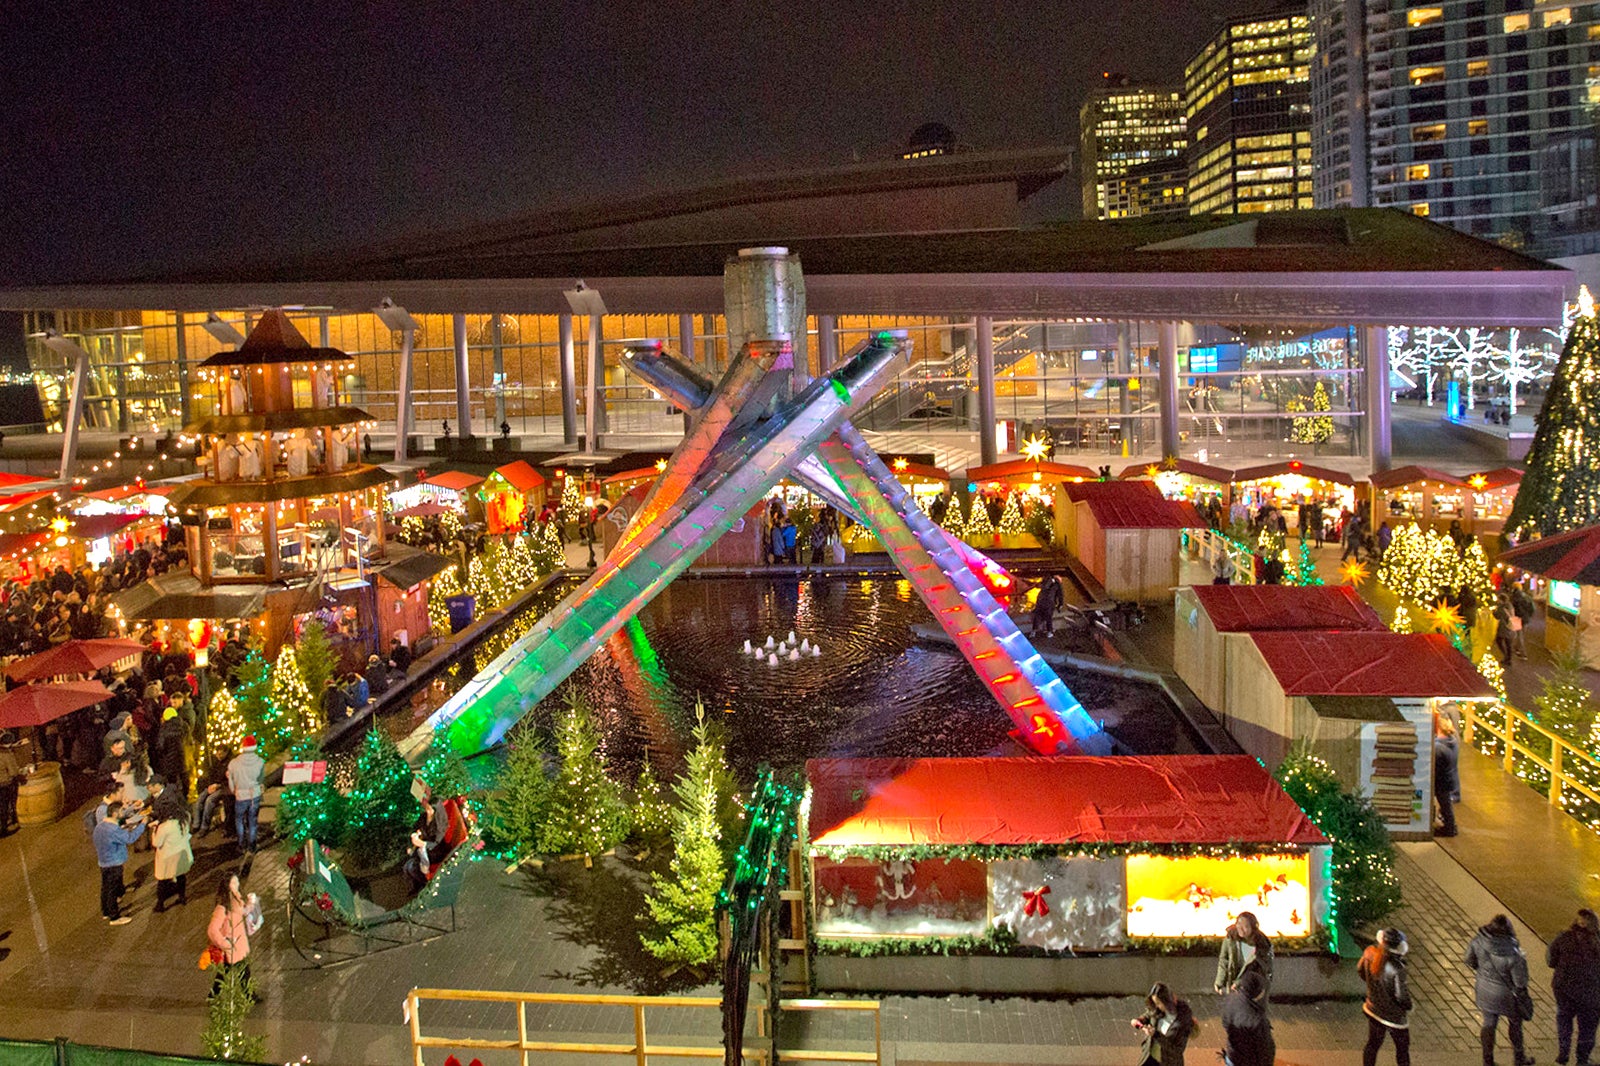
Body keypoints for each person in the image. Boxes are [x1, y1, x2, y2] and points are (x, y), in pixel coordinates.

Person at [1467, 913, 1534, 1066]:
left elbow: (1468, 959)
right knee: (1515, 1023)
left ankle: (1488, 1060)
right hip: (1507, 996)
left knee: (1489, 1023)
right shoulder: (1514, 954)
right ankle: (1519, 1057)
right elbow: (1520, 982)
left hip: (1484, 990)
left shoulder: (1478, 941)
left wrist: (1483, 972)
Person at [1548, 909, 1600, 1066]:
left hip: (1564, 989)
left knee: (1564, 1020)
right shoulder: (1597, 941)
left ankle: (1562, 1056)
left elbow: (1551, 959)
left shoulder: (1564, 937)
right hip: (1590, 993)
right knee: (1587, 1027)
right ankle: (1582, 1060)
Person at [1360, 928, 1413, 1066]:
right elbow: (1401, 996)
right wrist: (1409, 1006)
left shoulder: (1369, 954)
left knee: (1372, 1044)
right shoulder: (1397, 968)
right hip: (1394, 1017)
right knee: (1402, 1050)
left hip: (1374, 1008)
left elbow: (1360, 971)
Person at [94, 801, 145, 925]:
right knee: (112, 890)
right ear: (115, 813)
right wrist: (142, 825)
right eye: (122, 811)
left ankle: (106, 911)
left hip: (103, 862)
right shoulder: (113, 830)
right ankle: (114, 917)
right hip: (114, 863)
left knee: (106, 888)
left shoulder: (100, 827)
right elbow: (130, 839)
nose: (123, 813)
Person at [207, 874, 257, 996]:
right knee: (234, 970)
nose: (237, 885)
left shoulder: (236, 901)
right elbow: (212, 930)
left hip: (238, 945)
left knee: (234, 970)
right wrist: (225, 944)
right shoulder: (222, 908)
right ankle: (248, 994)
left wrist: (251, 903)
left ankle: (215, 994)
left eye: (237, 882)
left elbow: (243, 911)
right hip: (232, 946)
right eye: (234, 883)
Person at [1130, 981, 1195, 1066]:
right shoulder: (1157, 1010)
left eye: (1158, 1003)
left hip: (1168, 1062)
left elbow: (1177, 1051)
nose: (1157, 1006)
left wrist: (1156, 1035)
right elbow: (1148, 1015)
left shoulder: (1183, 1020)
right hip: (1150, 1058)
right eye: (1155, 1003)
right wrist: (1139, 1021)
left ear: (1166, 1001)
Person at [1220, 970, 1275, 1066]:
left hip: (1232, 1055)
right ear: (1257, 992)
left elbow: (1225, 1022)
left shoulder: (1230, 1000)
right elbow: (1266, 1050)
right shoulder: (1257, 1019)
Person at [1215, 910, 1274, 995]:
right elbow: (1224, 959)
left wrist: (1239, 982)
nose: (1241, 928)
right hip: (1233, 987)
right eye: (1239, 924)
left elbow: (1261, 969)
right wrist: (1219, 982)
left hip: (1253, 988)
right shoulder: (1230, 938)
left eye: (1246, 926)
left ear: (1253, 928)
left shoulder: (1262, 944)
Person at [227, 736, 266, 854]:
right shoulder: (260, 762)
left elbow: (231, 780)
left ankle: (241, 843)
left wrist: (234, 791)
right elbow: (261, 779)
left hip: (241, 796)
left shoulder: (234, 763)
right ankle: (252, 845)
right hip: (254, 795)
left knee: (239, 819)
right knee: (252, 820)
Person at [152, 809, 193, 912]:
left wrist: (154, 830)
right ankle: (182, 897)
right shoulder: (183, 821)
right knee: (181, 876)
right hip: (181, 855)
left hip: (168, 857)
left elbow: (157, 843)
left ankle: (160, 905)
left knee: (163, 881)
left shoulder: (164, 827)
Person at [193, 743, 232, 836]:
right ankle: (196, 824)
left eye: (221, 754)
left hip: (222, 787)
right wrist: (210, 785)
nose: (219, 756)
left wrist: (218, 786)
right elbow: (211, 774)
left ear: (226, 753)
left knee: (209, 801)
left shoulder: (230, 763)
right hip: (212, 785)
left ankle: (204, 827)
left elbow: (229, 780)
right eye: (217, 754)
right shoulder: (215, 762)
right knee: (199, 800)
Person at [1434, 719, 1460, 837]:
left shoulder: (1438, 747)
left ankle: (1449, 828)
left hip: (1441, 780)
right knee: (1446, 805)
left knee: (1445, 805)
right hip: (1449, 778)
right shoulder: (1452, 742)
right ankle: (1450, 826)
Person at [0, 734, 21, 834]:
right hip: (5, 783)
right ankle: (4, 828)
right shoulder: (6, 754)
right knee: (6, 804)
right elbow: (13, 772)